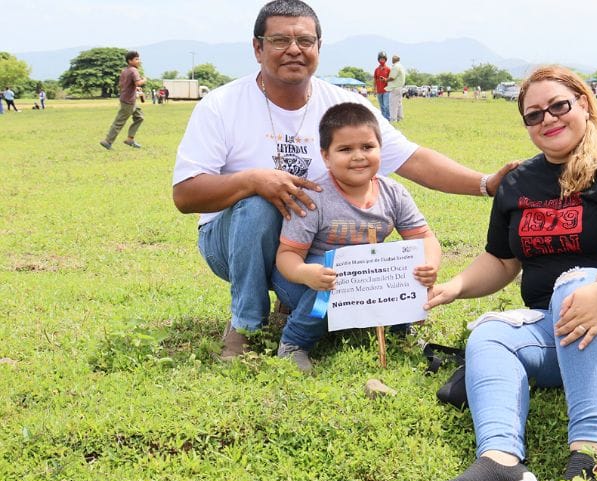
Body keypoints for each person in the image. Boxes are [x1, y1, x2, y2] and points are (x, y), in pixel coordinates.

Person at [171, 0, 513, 360]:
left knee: (331, 257)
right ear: (257, 48)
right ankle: (245, 325)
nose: (293, 50)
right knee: (258, 206)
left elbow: (414, 159)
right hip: (231, 243)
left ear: (319, 47)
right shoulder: (222, 105)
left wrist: (485, 184)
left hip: (311, 250)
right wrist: (254, 180)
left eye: (305, 40)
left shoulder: (345, 106)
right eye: (279, 41)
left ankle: (300, 301)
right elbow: (185, 195)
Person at [424, 65, 597, 481]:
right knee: (488, 332)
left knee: (577, 280)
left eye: (558, 106)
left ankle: (590, 452)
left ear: (583, 104)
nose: (547, 119)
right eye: (534, 114)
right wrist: (453, 287)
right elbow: (502, 260)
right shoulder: (517, 183)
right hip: (567, 330)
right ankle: (501, 461)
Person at [274, 102, 441, 372]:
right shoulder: (314, 196)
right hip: (307, 281)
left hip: (365, 280)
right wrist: (307, 273)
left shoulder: (393, 193)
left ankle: (402, 332)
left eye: (367, 147)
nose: (358, 156)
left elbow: (425, 238)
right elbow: (287, 256)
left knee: (407, 261)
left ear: (380, 149)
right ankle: (294, 342)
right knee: (336, 273)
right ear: (325, 156)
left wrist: (429, 267)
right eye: (345, 149)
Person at [100, 50, 146, 150]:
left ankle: (130, 139)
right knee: (119, 121)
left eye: (139, 59)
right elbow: (138, 83)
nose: (139, 61)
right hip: (128, 101)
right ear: (130, 61)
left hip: (128, 99)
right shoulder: (134, 70)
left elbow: (122, 84)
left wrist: (134, 88)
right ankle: (107, 141)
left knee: (139, 117)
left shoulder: (125, 71)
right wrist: (144, 80)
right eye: (136, 59)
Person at [387, 54, 406, 122]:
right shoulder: (401, 66)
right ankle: (400, 118)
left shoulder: (395, 66)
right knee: (399, 104)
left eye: (392, 59)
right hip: (400, 87)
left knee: (393, 104)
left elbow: (392, 77)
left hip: (395, 87)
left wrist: (385, 80)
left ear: (394, 60)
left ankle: (393, 119)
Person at [373, 51, 391, 120]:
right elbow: (374, 80)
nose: (382, 60)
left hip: (386, 90)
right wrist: (374, 89)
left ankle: (388, 118)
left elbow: (391, 79)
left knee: (386, 105)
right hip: (379, 90)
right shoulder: (376, 70)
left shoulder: (388, 69)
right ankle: (384, 119)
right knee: (382, 106)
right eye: (380, 59)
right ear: (378, 60)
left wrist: (385, 79)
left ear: (385, 60)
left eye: (383, 59)